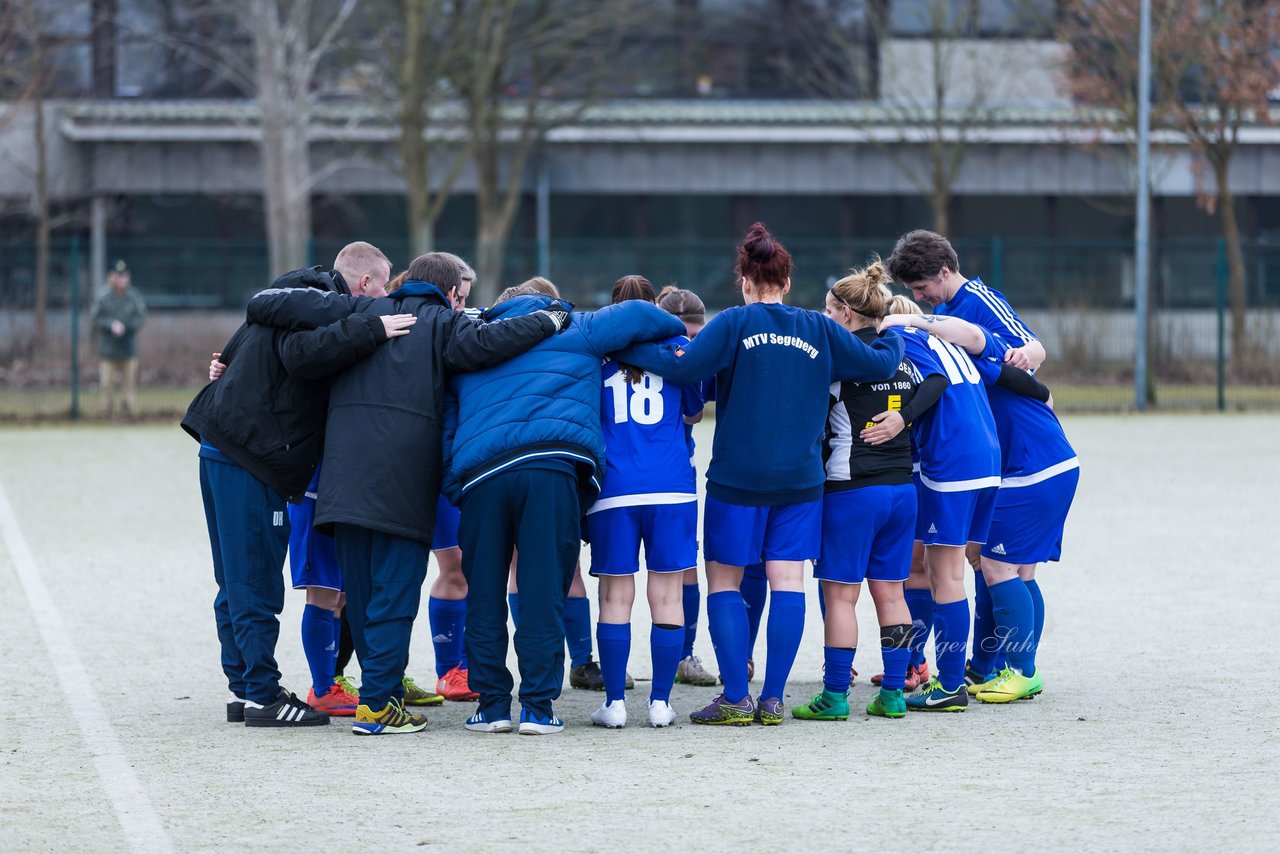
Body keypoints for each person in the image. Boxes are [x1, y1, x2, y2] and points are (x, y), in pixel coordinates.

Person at [246, 253, 566, 736]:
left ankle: (380, 691)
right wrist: (550, 317)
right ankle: (378, 706)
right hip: (401, 485)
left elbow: (296, 351)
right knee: (393, 597)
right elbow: (491, 342)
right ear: (452, 294)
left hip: (342, 483)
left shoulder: (358, 313)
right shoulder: (441, 323)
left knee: (363, 593)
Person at [613, 223, 904, 726]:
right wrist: (894, 334)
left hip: (738, 478)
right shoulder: (821, 328)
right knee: (787, 581)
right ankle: (772, 699)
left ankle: (734, 696)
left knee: (724, 581)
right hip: (800, 480)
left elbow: (682, 368)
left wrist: (625, 348)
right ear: (788, 283)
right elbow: (878, 365)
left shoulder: (732, 324)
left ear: (744, 282)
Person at [182, 246, 415, 728]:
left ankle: (245, 688)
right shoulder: (311, 305)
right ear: (367, 284)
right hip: (250, 455)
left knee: (235, 578)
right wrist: (371, 327)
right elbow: (302, 354)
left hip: (224, 447)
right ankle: (263, 695)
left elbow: (257, 331)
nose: (385, 298)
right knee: (253, 579)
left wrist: (226, 362)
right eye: (383, 287)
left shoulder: (297, 301)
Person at [442, 283, 686, 736]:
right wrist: (676, 325)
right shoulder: (576, 327)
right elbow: (639, 314)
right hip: (551, 468)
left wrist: (454, 482)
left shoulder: (471, 347)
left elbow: (449, 422)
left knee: (485, 594)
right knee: (543, 591)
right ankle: (537, 707)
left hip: (481, 477)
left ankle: (492, 706)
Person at [886, 229, 1077, 703]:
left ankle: (1021, 669)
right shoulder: (946, 322)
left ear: (945, 272)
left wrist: (1028, 357)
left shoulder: (975, 301)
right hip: (1011, 462)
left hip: (1031, 460)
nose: (918, 298)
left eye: (921, 288)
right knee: (1002, 566)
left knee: (993, 563)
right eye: (911, 293)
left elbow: (1029, 348)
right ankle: (984, 665)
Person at [791, 264, 925, 722]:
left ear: (846, 314)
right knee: (892, 594)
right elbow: (934, 388)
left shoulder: (839, 364)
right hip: (902, 491)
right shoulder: (902, 360)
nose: (824, 317)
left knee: (841, 597)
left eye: (828, 311)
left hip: (852, 492)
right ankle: (893, 693)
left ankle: (834, 696)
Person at [588, 276, 705, 729]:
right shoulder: (678, 346)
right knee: (667, 592)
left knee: (616, 596)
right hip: (672, 484)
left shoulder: (595, 351)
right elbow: (694, 411)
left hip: (614, 486)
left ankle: (615, 704)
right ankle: (660, 703)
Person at [501, 276, 607, 691]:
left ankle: (542, 659)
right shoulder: (569, 338)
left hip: (511, 460)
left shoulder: (499, 339)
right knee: (565, 565)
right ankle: (581, 660)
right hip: (558, 462)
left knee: (519, 565)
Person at [655, 285, 719, 688]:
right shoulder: (639, 352)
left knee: (684, 565)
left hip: (680, 470)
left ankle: (684, 654)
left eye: (696, 338)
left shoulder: (703, 361)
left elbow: (696, 415)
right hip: (635, 471)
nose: (687, 346)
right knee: (618, 577)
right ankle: (611, 660)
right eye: (681, 336)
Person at [92, 260, 147, 419]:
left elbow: (141, 317)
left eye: (123, 275)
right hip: (108, 350)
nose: (120, 279)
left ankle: (128, 413)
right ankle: (105, 413)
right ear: (112, 276)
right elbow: (96, 317)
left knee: (128, 386)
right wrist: (111, 325)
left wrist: (126, 327)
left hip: (128, 348)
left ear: (128, 277)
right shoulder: (103, 296)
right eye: (117, 275)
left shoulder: (133, 297)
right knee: (106, 384)